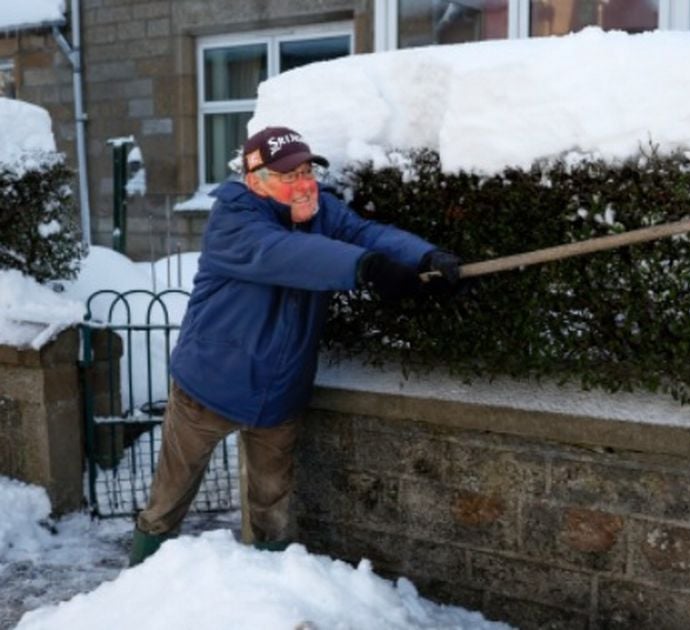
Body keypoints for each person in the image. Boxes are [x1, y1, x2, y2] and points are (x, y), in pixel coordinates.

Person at [128, 126, 461, 565]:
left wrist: (423, 256)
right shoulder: (234, 222)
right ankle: (139, 580)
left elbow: (365, 233)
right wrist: (367, 269)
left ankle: (272, 591)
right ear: (255, 180)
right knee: (168, 500)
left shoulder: (318, 209)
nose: (304, 184)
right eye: (289, 175)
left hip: (279, 390)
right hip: (209, 387)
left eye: (307, 170)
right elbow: (286, 254)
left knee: (272, 506)